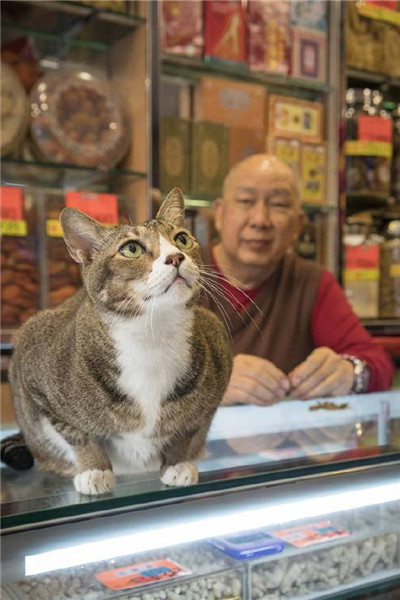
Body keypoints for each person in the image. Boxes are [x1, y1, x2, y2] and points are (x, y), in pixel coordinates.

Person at [201, 154, 394, 405]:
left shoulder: (310, 282)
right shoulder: (176, 272)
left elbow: (377, 362)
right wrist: (211, 383)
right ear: (219, 214)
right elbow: (133, 376)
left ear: (298, 225)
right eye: (246, 201)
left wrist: (350, 373)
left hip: (284, 440)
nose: (260, 220)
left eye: (278, 204)